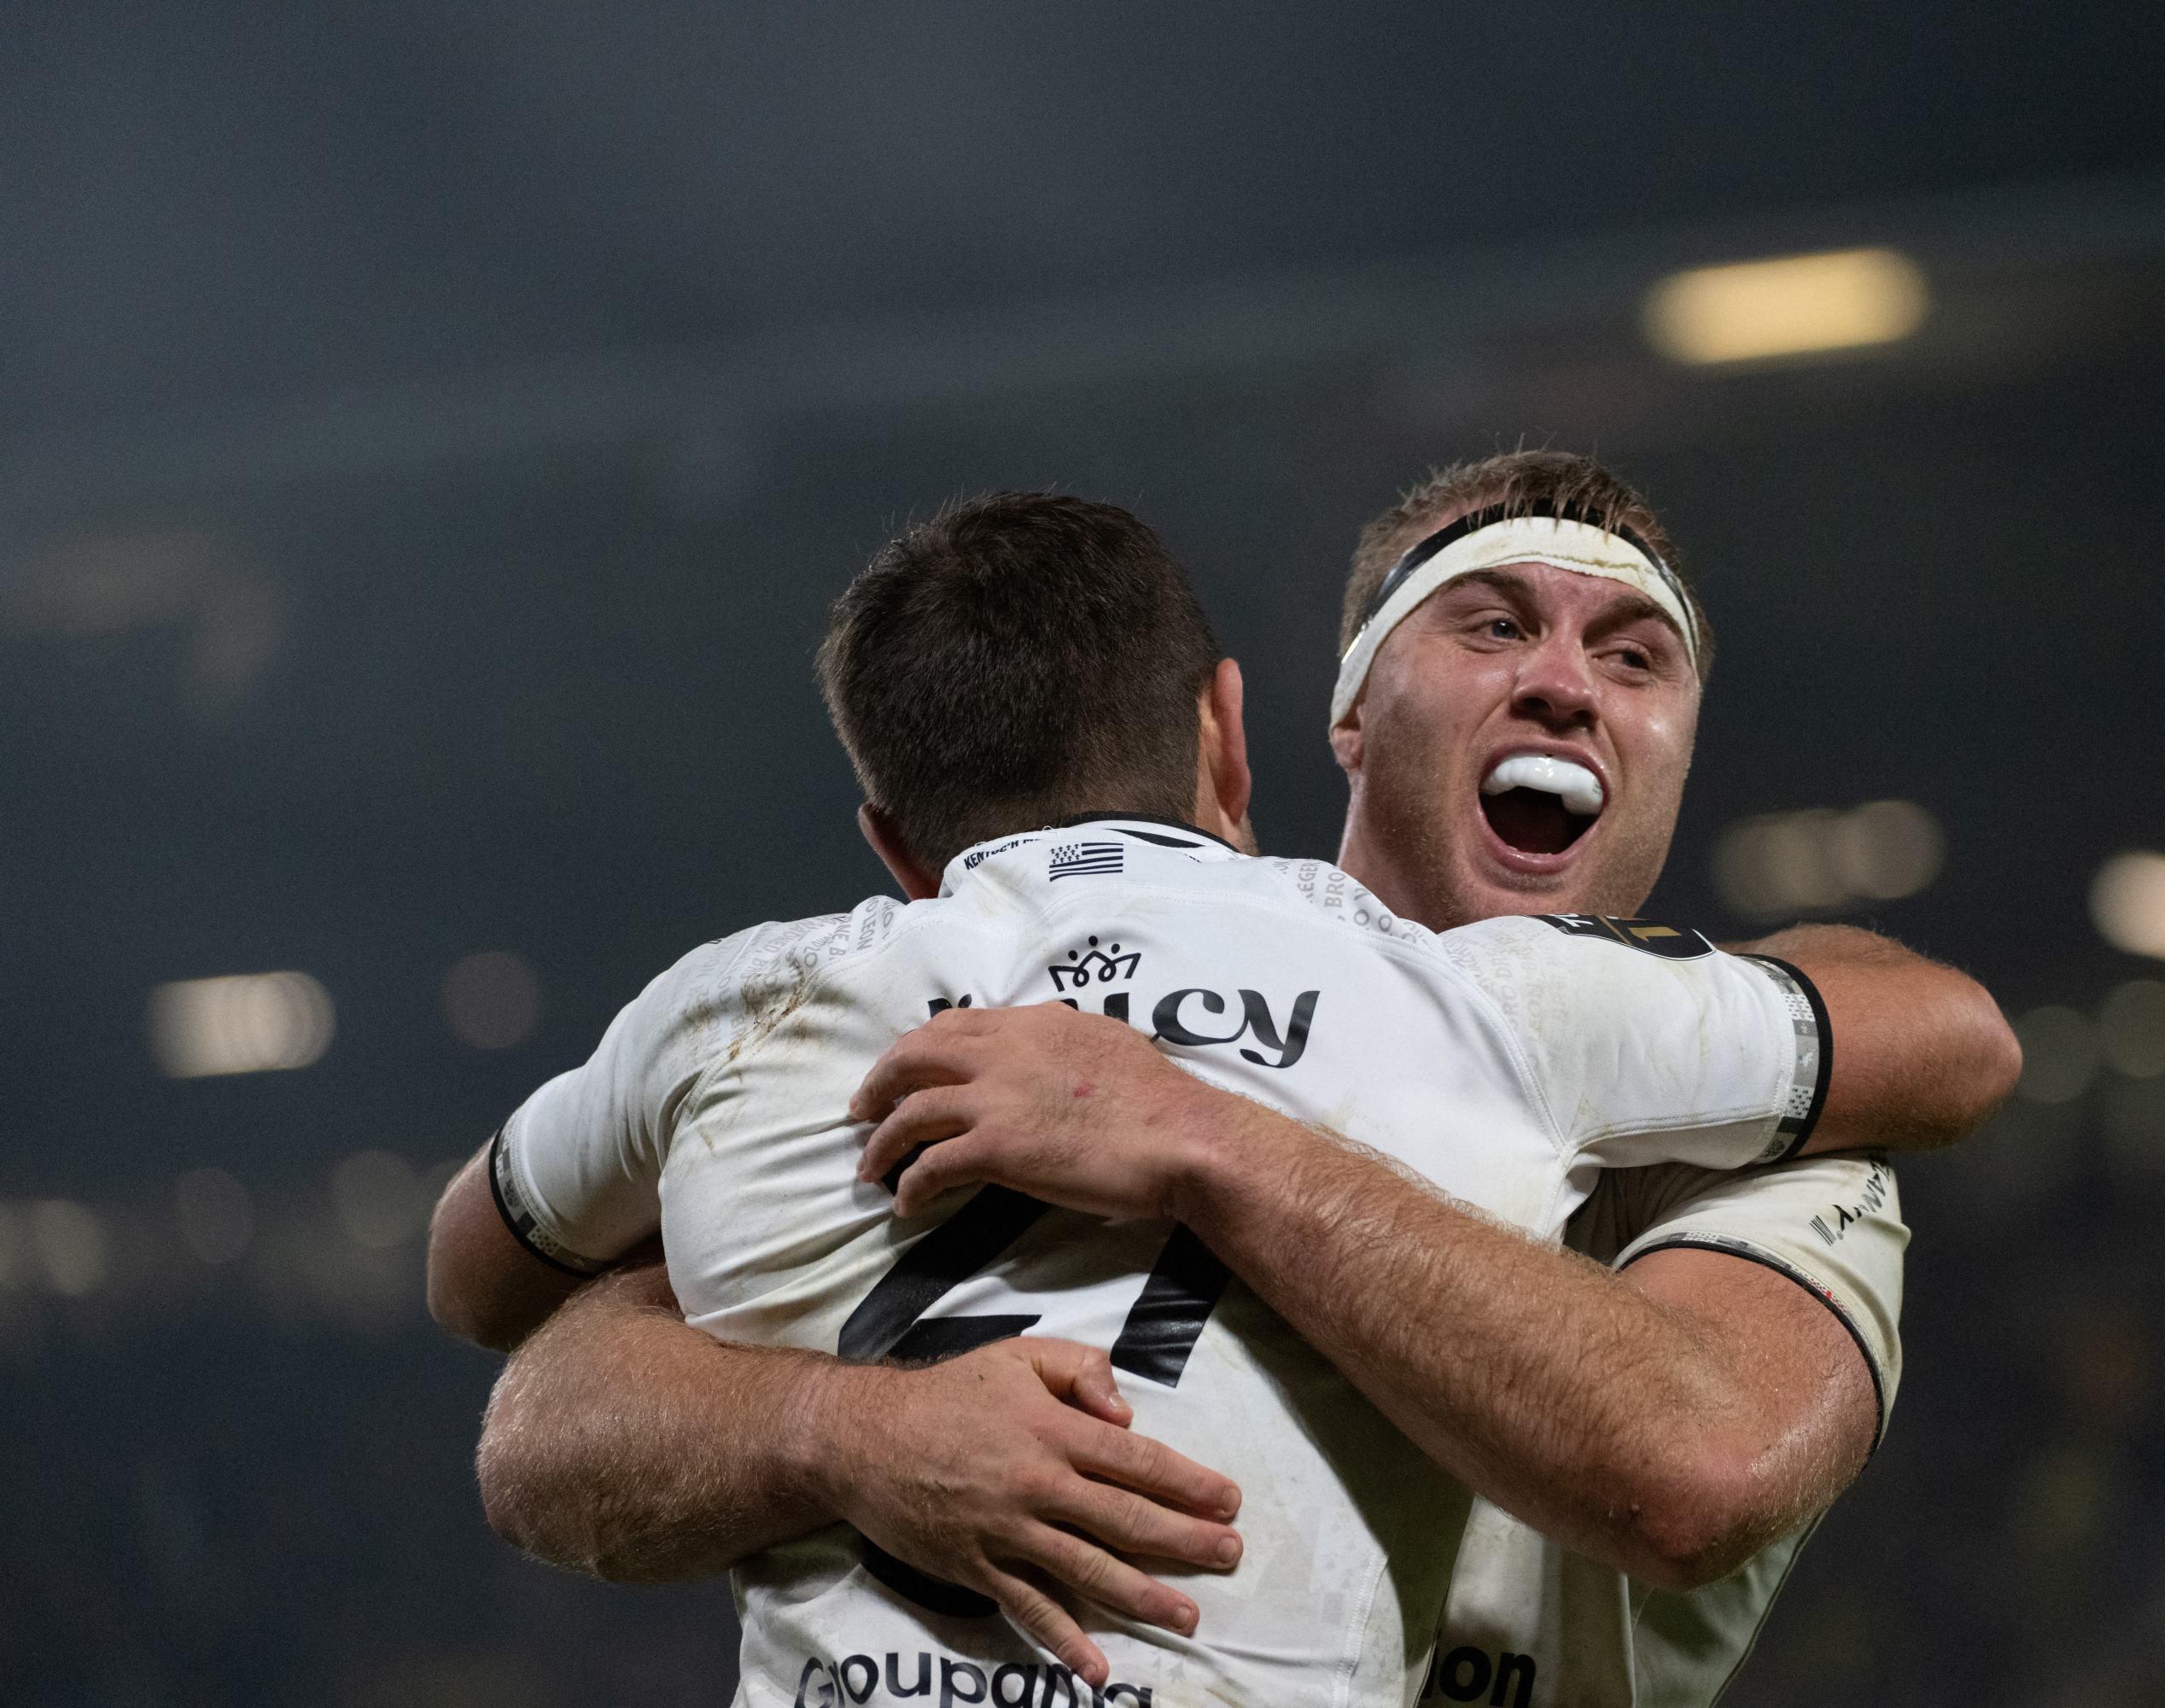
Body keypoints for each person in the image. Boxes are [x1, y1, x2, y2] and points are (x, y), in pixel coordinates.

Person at [429, 455, 2019, 1703]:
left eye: (1634, 651)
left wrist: (1202, 1134)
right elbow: (545, 1412)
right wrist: (834, 1427)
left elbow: (1696, 1467)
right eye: (1489, 624)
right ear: (1313, 716)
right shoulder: (992, 1011)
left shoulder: (1783, 1149)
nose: (1564, 684)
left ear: (1675, 744)